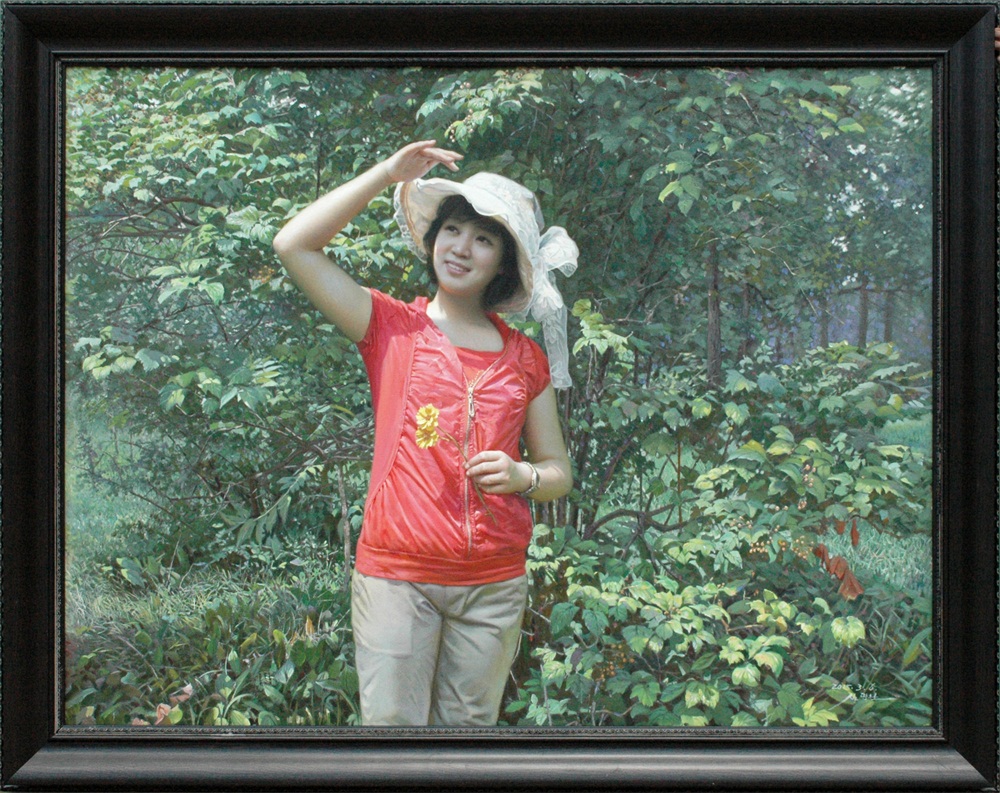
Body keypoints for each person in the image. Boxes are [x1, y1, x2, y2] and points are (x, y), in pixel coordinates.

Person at [272, 140, 577, 726]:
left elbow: (558, 472)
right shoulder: (390, 327)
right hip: (397, 579)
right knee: (393, 743)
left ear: (503, 262)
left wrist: (523, 476)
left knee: (467, 747)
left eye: (483, 239)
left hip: (493, 587)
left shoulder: (526, 360)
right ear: (434, 239)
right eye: (452, 230)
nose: (461, 247)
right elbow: (293, 245)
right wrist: (388, 174)